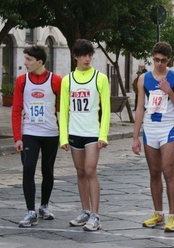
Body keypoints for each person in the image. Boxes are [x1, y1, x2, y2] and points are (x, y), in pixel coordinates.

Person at [132, 42, 174, 232]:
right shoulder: (143, 79)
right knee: (154, 173)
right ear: (152, 58)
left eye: (163, 61)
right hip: (150, 129)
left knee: (168, 171)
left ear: (169, 60)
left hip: (168, 129)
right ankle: (158, 213)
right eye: (156, 60)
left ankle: (173, 216)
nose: (159, 64)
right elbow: (140, 108)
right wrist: (135, 137)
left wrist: (169, 92)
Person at [59, 39, 110, 231]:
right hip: (75, 132)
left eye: (89, 55)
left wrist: (103, 135)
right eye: (83, 55)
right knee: (80, 172)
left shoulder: (100, 78)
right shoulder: (67, 80)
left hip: (92, 133)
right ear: (75, 57)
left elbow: (105, 110)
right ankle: (85, 211)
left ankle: (96, 215)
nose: (87, 59)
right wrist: (63, 137)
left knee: (90, 170)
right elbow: (63, 110)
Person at [11, 46, 62, 227]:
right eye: (25, 59)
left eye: (29, 59)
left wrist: (64, 135)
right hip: (29, 133)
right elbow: (16, 109)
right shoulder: (21, 81)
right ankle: (30, 211)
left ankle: (44, 206)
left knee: (47, 170)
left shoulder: (56, 81)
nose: (25, 63)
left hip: (50, 133)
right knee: (28, 168)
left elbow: (63, 108)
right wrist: (18, 137)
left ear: (40, 62)